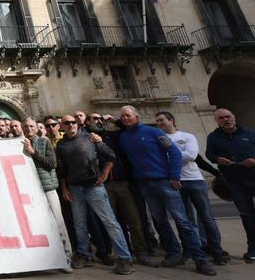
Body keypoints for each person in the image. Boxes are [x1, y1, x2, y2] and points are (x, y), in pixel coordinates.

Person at [117, 106, 216, 275]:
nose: (125, 118)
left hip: (165, 182)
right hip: (145, 184)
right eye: (122, 116)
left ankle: (200, 259)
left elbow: (175, 153)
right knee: (160, 221)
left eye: (128, 115)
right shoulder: (124, 137)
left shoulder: (154, 132)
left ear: (136, 116)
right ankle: (173, 253)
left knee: (182, 220)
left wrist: (175, 176)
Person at [55, 114, 135, 274]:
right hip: (75, 188)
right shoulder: (61, 145)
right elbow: (62, 169)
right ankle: (84, 254)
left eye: (72, 122)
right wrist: (64, 188)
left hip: (94, 186)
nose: (70, 125)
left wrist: (105, 174)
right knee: (79, 223)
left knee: (109, 222)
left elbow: (111, 156)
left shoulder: (90, 138)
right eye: (66, 123)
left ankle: (125, 258)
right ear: (61, 126)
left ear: (77, 124)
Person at [86, 112, 160, 267]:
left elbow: (127, 128)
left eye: (100, 118)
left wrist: (115, 120)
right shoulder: (86, 139)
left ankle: (141, 252)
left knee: (133, 219)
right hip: (103, 186)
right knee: (112, 222)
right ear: (87, 123)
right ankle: (124, 253)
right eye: (94, 119)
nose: (98, 121)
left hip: (122, 183)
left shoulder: (113, 136)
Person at [156, 111, 226, 265]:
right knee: (185, 220)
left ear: (171, 120)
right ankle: (191, 248)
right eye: (157, 121)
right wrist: (177, 155)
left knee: (207, 217)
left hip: (194, 180)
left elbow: (192, 156)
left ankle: (217, 250)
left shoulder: (187, 136)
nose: (159, 123)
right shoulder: (159, 139)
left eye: (162, 120)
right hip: (175, 182)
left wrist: (171, 156)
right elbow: (160, 159)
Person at [206, 108, 255, 262]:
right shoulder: (213, 137)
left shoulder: (249, 133)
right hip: (235, 182)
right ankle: (253, 248)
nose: (225, 120)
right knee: (247, 215)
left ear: (234, 117)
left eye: (228, 116)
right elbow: (209, 154)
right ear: (217, 121)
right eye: (221, 118)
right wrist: (218, 159)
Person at [21, 117, 73, 262]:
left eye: (31, 126)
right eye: (25, 126)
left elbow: (52, 163)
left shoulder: (45, 142)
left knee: (58, 222)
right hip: (31, 191)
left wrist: (33, 152)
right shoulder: (19, 144)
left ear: (36, 128)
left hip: (48, 188)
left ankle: (67, 255)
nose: (28, 129)